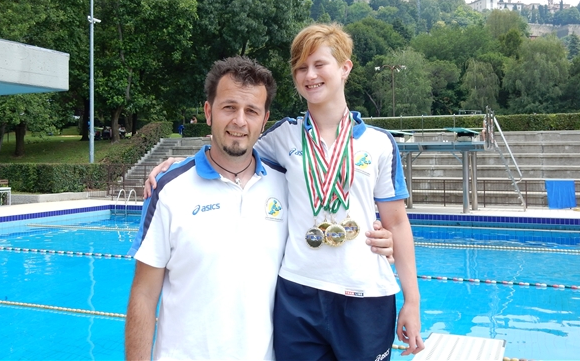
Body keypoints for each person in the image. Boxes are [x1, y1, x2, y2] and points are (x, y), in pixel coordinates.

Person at [145, 24, 423, 359]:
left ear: (345, 67)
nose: (310, 75)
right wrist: (181, 163)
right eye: (301, 68)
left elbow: (397, 223)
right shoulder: (283, 136)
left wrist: (412, 301)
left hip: (365, 293)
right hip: (298, 292)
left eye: (320, 64)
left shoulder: (379, 144)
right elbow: (233, 145)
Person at [125, 56, 285, 360]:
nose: (239, 120)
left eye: (251, 111)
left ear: (264, 120)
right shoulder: (169, 188)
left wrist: (380, 235)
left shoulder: (286, 185)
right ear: (208, 112)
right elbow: (144, 295)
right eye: (229, 107)